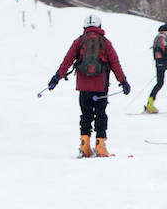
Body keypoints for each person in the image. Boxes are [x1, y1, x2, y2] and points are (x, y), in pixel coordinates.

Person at [46, 13, 130, 157]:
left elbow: (66, 62)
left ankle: (84, 146)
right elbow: (115, 64)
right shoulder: (105, 42)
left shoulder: (79, 42)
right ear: (99, 26)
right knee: (101, 115)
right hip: (101, 86)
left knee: (86, 115)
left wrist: (56, 78)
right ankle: (100, 146)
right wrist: (123, 81)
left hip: (83, 86)